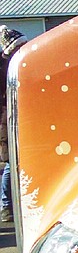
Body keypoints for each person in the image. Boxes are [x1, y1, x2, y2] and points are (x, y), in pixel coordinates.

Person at [0, 25, 28, 223]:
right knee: (10, 163)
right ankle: (6, 205)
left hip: (14, 117)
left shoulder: (15, 65)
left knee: (15, 162)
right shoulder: (7, 68)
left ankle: (11, 204)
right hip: (6, 119)